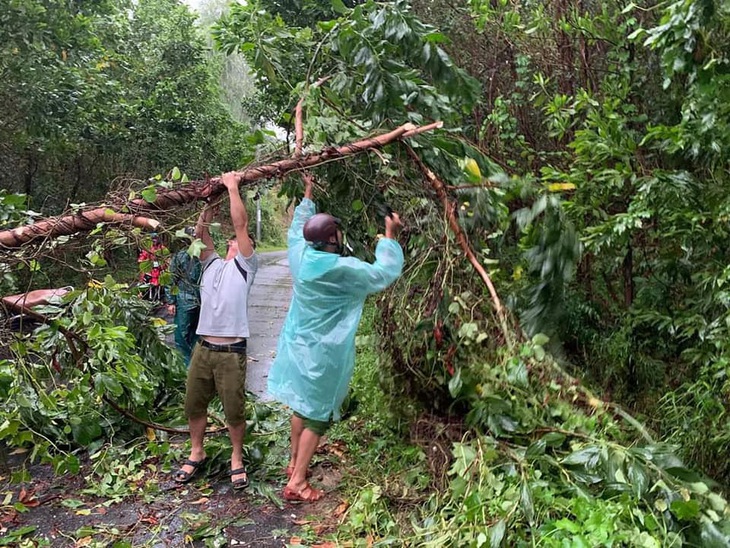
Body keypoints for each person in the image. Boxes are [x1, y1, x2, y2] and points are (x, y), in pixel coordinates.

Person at [267, 171, 404, 503]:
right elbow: (383, 273)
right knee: (316, 413)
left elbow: (295, 230)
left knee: (301, 406)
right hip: (323, 354)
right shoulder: (341, 269)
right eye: (337, 234)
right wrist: (390, 235)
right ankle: (298, 482)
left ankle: (292, 464)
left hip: (298, 347)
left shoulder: (301, 256)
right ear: (331, 239)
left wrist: (308, 195)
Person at [173, 172, 258, 490]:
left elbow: (240, 226)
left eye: (237, 240)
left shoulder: (246, 267)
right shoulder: (211, 265)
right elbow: (199, 235)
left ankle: (237, 458)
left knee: (234, 410)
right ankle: (197, 451)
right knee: (194, 404)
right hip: (204, 348)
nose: (232, 241)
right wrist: (209, 203)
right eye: (231, 241)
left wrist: (233, 188)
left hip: (231, 351)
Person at [167, 227, 202, 366]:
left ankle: (187, 365)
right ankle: (190, 364)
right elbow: (172, 279)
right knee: (191, 333)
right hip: (193, 299)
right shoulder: (197, 256)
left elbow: (171, 279)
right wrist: (171, 301)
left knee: (185, 335)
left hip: (190, 299)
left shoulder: (194, 256)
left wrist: (171, 301)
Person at [138, 234, 169, 302]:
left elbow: (167, 261)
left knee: (160, 289)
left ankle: (159, 300)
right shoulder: (147, 249)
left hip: (159, 272)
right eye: (152, 239)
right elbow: (141, 260)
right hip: (149, 272)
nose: (154, 241)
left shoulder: (163, 249)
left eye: (155, 239)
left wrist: (162, 264)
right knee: (145, 287)